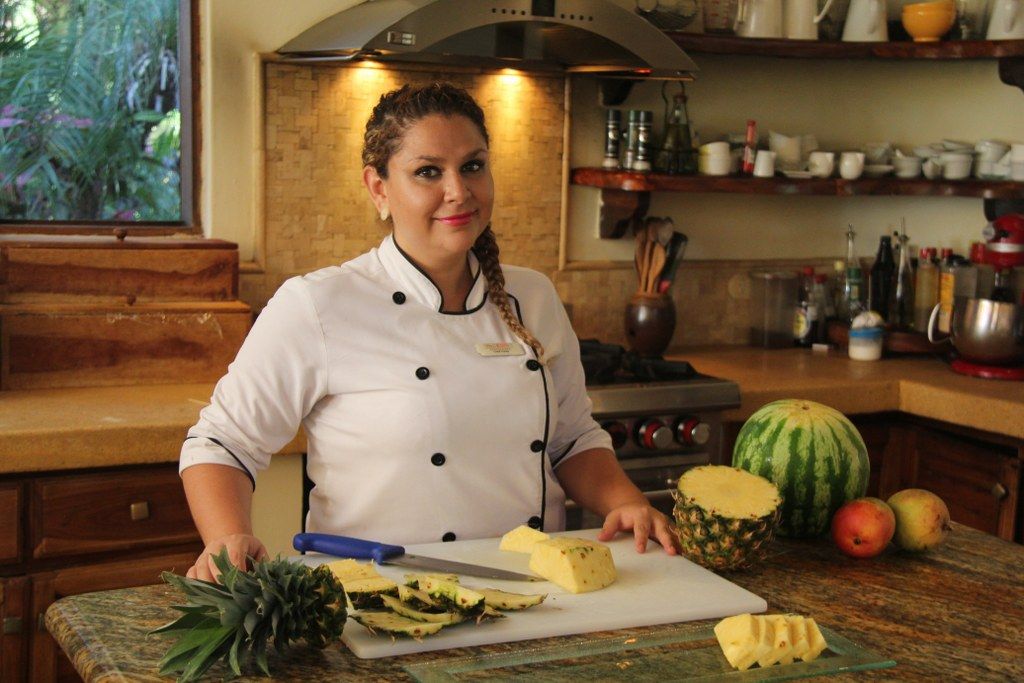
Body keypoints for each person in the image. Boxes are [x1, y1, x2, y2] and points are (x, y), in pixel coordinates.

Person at [180, 82, 678, 582]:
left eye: (473, 166)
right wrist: (227, 536)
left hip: (534, 589)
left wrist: (625, 501)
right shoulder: (319, 304)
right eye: (428, 172)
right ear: (378, 188)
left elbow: (572, 440)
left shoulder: (534, 296)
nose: (458, 191)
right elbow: (223, 441)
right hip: (378, 596)